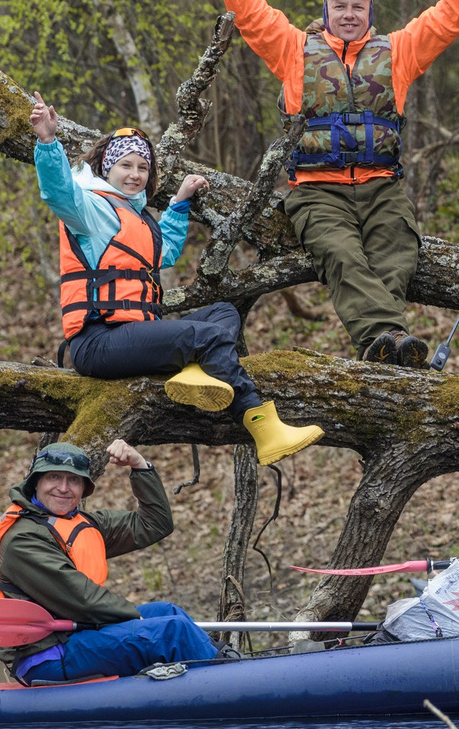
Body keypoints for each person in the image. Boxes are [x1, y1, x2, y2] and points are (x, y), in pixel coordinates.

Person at [183, 0, 459, 366]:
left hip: (383, 189)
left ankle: (381, 348)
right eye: (341, 5)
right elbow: (249, 11)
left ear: (370, 11)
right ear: (327, 10)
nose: (350, 13)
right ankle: (386, 338)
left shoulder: (398, 53)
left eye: (358, 5)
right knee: (341, 254)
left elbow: (448, 17)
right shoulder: (294, 51)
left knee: (396, 255)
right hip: (317, 192)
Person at [32, 97, 322, 467]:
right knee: (208, 337)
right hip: (96, 342)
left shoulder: (137, 216)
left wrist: (180, 202)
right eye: (125, 165)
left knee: (223, 312)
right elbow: (57, 191)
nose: (135, 174)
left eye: (142, 167)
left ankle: (196, 372)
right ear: (106, 168)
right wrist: (47, 142)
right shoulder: (88, 209)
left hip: (133, 336)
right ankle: (265, 429)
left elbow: (164, 252)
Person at [0, 439, 221, 682]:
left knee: (167, 611)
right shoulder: (23, 540)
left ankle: (225, 661)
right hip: (48, 656)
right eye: (54, 477)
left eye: (73, 480)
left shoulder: (85, 524)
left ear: (84, 488)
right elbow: (82, 599)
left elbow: (155, 524)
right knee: (171, 631)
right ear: (36, 482)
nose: (63, 488)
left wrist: (139, 466)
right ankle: (226, 677)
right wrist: (135, 618)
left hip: (80, 636)